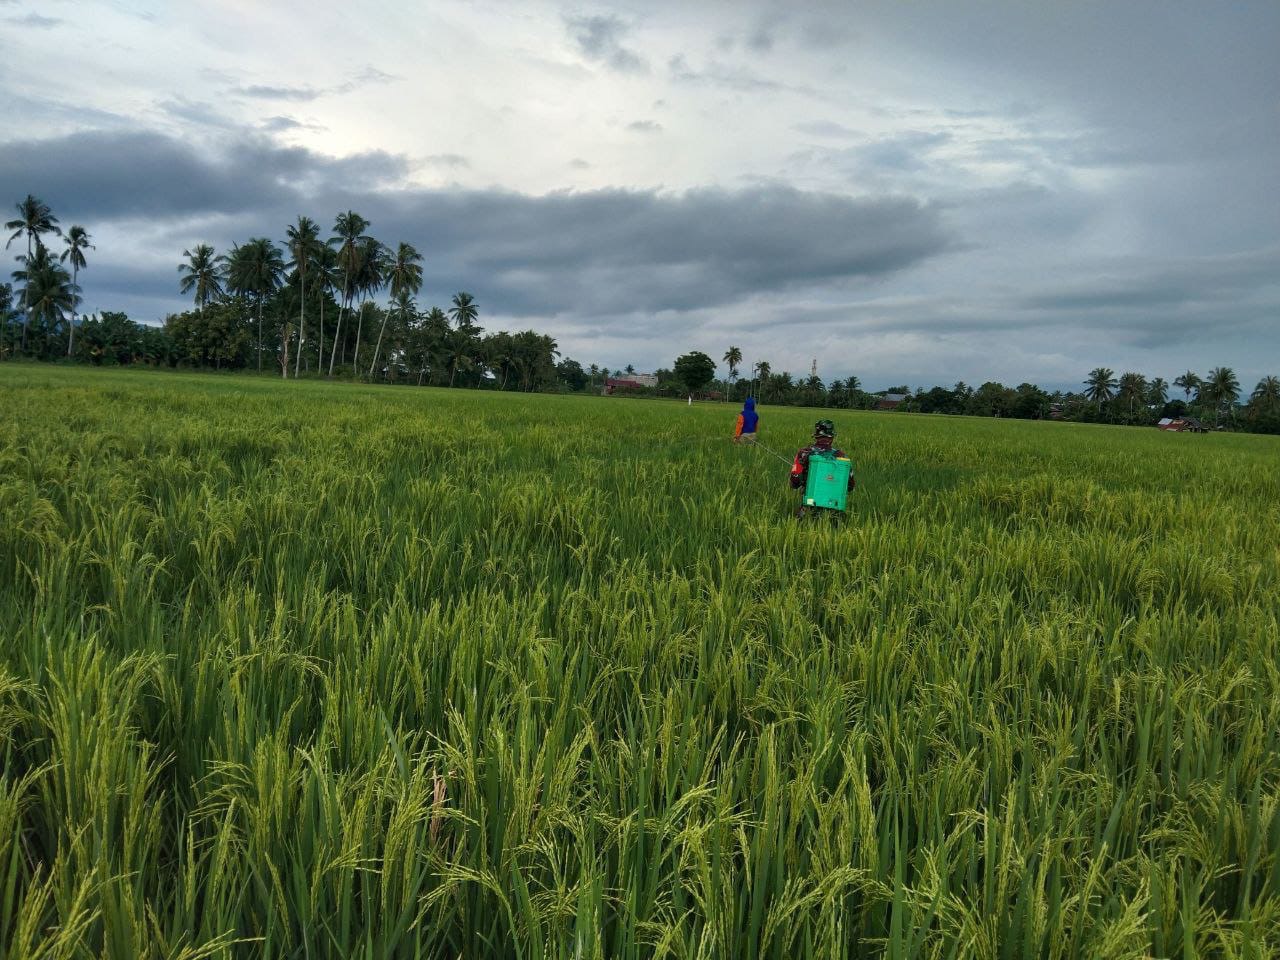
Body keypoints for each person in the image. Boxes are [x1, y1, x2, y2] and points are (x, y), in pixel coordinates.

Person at [790, 419, 855, 515]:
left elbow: (795, 481)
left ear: (816, 436)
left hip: (809, 506)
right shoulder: (842, 456)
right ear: (832, 437)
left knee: (800, 520)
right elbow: (850, 486)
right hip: (835, 507)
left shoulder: (804, 453)